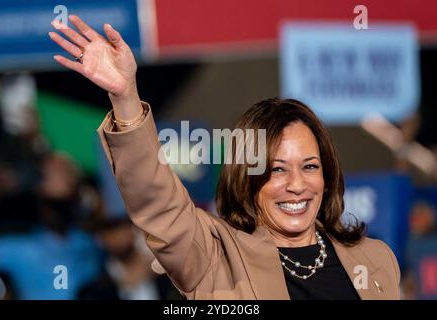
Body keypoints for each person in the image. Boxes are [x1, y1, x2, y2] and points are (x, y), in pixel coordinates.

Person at [49, 15, 401, 300]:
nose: (297, 185)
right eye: (276, 170)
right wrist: (126, 99)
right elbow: (158, 204)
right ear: (247, 179)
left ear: (327, 177)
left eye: (310, 166)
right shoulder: (214, 257)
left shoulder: (375, 259)